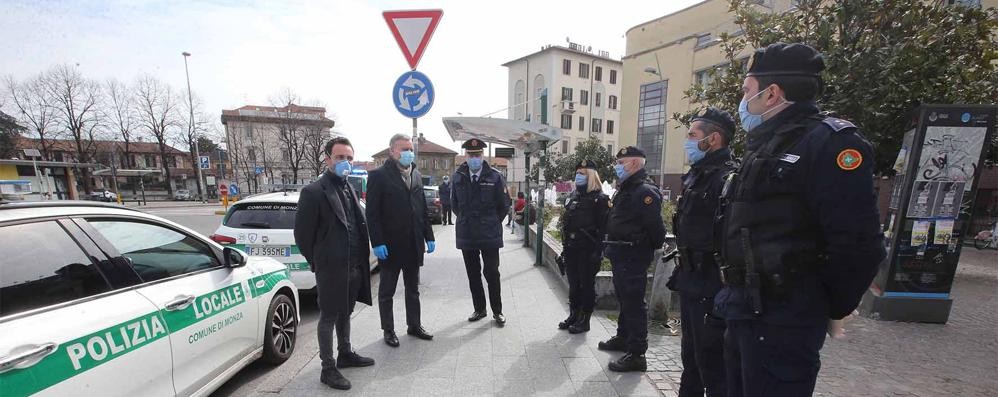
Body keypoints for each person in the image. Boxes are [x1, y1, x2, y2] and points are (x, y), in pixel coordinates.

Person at [714, 42, 885, 396]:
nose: (743, 102)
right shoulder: (766, 144)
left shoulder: (830, 144)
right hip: (745, 309)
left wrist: (825, 305)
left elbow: (858, 245)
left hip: (784, 318)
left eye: (747, 92)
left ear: (772, 93)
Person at [294, 137, 375, 390]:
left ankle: (345, 353)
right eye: (340, 158)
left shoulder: (348, 187)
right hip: (330, 268)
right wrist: (317, 261)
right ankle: (328, 368)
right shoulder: (314, 191)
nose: (345, 162)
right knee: (328, 316)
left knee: (346, 311)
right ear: (327, 159)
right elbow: (302, 235)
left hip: (353, 266)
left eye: (349, 158)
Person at [668, 107, 737, 397]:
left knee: (713, 363)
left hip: (712, 284)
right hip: (692, 281)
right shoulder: (696, 177)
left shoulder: (727, 180)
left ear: (714, 139)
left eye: (692, 135)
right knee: (691, 356)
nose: (687, 142)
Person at [598, 146, 666, 372]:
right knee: (625, 299)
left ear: (635, 164)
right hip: (621, 253)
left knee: (634, 303)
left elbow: (656, 229)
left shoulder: (644, 191)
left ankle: (637, 353)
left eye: (621, 162)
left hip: (633, 254)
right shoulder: (627, 188)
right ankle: (623, 337)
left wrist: (643, 247)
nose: (618, 166)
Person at [366, 133, 435, 348]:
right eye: (404, 149)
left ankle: (414, 325)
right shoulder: (378, 176)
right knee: (387, 292)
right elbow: (372, 213)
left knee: (412, 289)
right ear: (392, 151)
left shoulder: (415, 173)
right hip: (391, 246)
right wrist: (377, 241)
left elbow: (421, 208)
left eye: (410, 149)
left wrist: (429, 236)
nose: (409, 153)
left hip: (414, 244)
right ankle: (388, 330)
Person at [451, 138, 511, 326]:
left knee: (492, 272)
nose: (474, 158)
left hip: (489, 234)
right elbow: (454, 205)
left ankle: (497, 311)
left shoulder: (495, 176)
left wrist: (491, 222)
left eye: (477, 155)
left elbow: (504, 205)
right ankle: (480, 309)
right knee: (473, 274)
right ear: (466, 156)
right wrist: (466, 219)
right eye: (471, 155)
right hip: (467, 233)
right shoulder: (458, 176)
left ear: (482, 155)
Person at [557, 159, 609, 334]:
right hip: (572, 247)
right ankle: (574, 314)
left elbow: (604, 229)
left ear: (592, 176)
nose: (578, 176)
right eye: (577, 173)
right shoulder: (574, 196)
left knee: (586, 285)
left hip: (588, 249)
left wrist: (599, 251)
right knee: (573, 283)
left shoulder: (600, 199)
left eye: (583, 174)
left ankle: (584, 319)